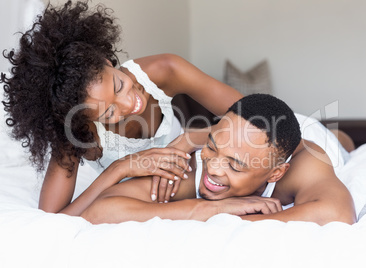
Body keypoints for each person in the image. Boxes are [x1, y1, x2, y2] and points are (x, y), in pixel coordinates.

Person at [0, 1, 242, 215]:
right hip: (135, 195)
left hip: (190, 165)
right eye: (108, 113)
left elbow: (256, 114)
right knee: (107, 206)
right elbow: (53, 218)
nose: (129, 104)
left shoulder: (165, 69)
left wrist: (189, 139)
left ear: (106, 61)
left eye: (118, 86)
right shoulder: (77, 134)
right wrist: (119, 168)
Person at [81, 94, 357, 226]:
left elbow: (338, 213)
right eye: (211, 149)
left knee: (342, 141)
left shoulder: (307, 166)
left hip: (314, 137)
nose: (212, 169)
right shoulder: (194, 170)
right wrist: (210, 209)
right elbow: (100, 210)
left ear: (275, 174)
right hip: (250, 133)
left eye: (235, 166)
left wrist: (246, 219)